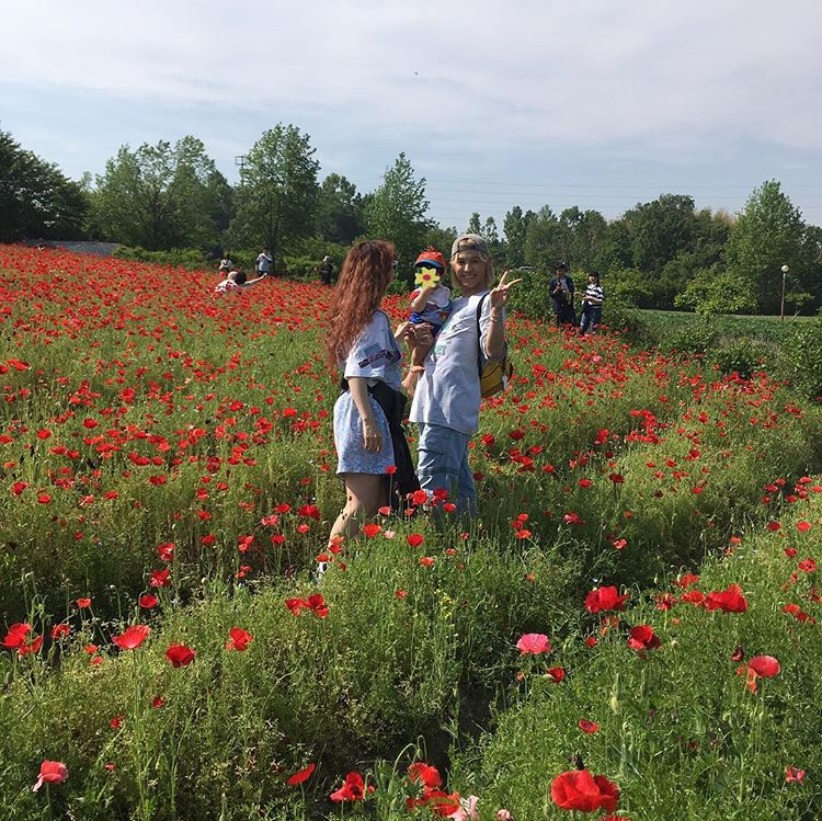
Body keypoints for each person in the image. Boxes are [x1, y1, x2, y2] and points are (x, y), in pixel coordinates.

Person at [409, 234, 519, 516]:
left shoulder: (487, 302)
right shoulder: (452, 304)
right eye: (461, 262)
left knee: (432, 478)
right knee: (457, 480)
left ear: (486, 265)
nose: (467, 269)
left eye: (475, 262)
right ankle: (467, 535)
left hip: (449, 405)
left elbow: (492, 352)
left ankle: (433, 544)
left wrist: (496, 311)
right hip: (431, 402)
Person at [325, 240, 420, 549]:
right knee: (360, 504)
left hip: (359, 406)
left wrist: (395, 339)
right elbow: (356, 372)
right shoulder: (374, 318)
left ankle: (347, 563)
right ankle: (328, 568)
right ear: (377, 272)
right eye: (390, 267)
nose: (394, 272)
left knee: (376, 500)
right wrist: (368, 421)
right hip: (365, 408)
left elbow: (366, 359)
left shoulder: (358, 313)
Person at [399, 247, 451, 397]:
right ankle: (412, 369)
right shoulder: (419, 291)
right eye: (424, 270)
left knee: (428, 357)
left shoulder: (444, 292)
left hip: (437, 329)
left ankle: (411, 384)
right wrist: (426, 291)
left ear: (442, 275)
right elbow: (416, 307)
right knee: (425, 343)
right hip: (421, 326)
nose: (430, 274)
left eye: (435, 271)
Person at [549, 262, 576, 327]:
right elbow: (551, 293)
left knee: (571, 319)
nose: (560, 272)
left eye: (561, 271)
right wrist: (556, 290)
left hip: (568, 302)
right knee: (559, 318)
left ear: (564, 271)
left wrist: (567, 292)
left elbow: (572, 290)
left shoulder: (569, 279)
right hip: (558, 302)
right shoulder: (553, 281)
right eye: (558, 271)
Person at [579, 271, 604, 335]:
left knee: (592, 327)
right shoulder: (588, 287)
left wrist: (591, 299)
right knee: (582, 326)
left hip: (595, 309)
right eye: (590, 276)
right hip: (587, 308)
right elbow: (586, 296)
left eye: (594, 277)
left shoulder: (599, 288)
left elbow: (601, 301)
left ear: (597, 278)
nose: (592, 278)